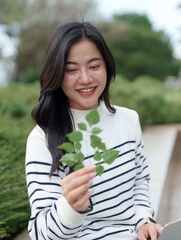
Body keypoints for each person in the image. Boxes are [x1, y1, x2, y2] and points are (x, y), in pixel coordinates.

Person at [25, 21, 163, 240]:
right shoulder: (42, 138)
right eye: (71, 70)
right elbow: (41, 233)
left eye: (94, 66)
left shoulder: (129, 120)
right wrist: (72, 207)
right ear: (56, 73)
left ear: (107, 67)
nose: (86, 78)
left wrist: (144, 220)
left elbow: (140, 182)